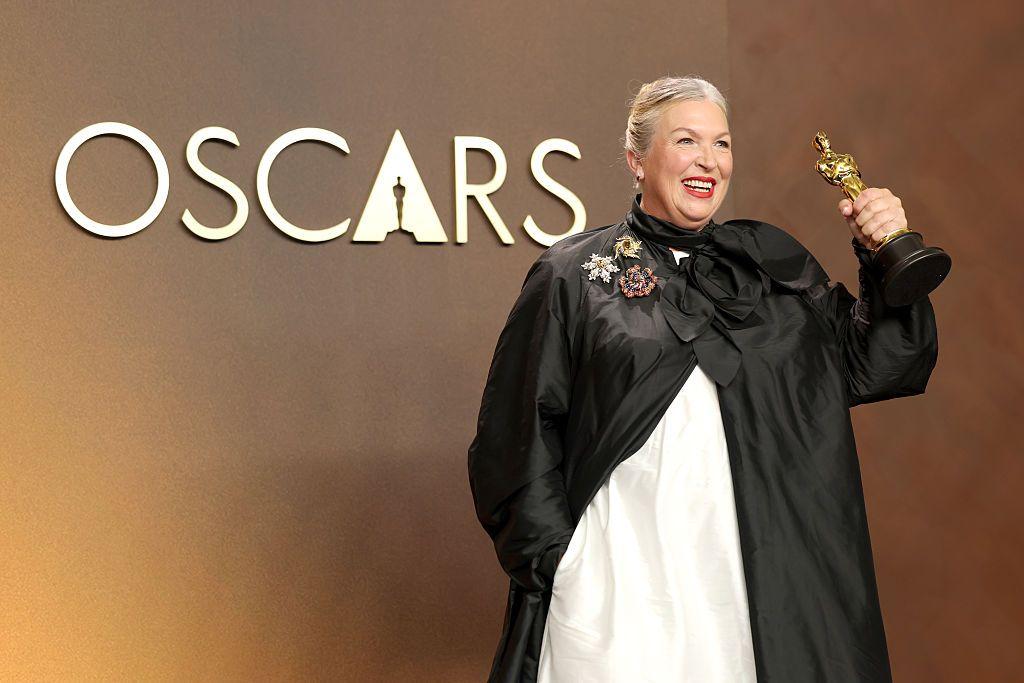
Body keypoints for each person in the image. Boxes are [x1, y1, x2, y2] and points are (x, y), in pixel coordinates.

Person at [467, 75, 938, 683]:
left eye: (721, 143)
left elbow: (876, 365)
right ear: (636, 159)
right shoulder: (574, 274)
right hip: (622, 587)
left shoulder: (772, 265)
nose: (708, 161)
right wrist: (566, 566)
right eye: (686, 140)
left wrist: (883, 256)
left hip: (759, 579)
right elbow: (515, 433)